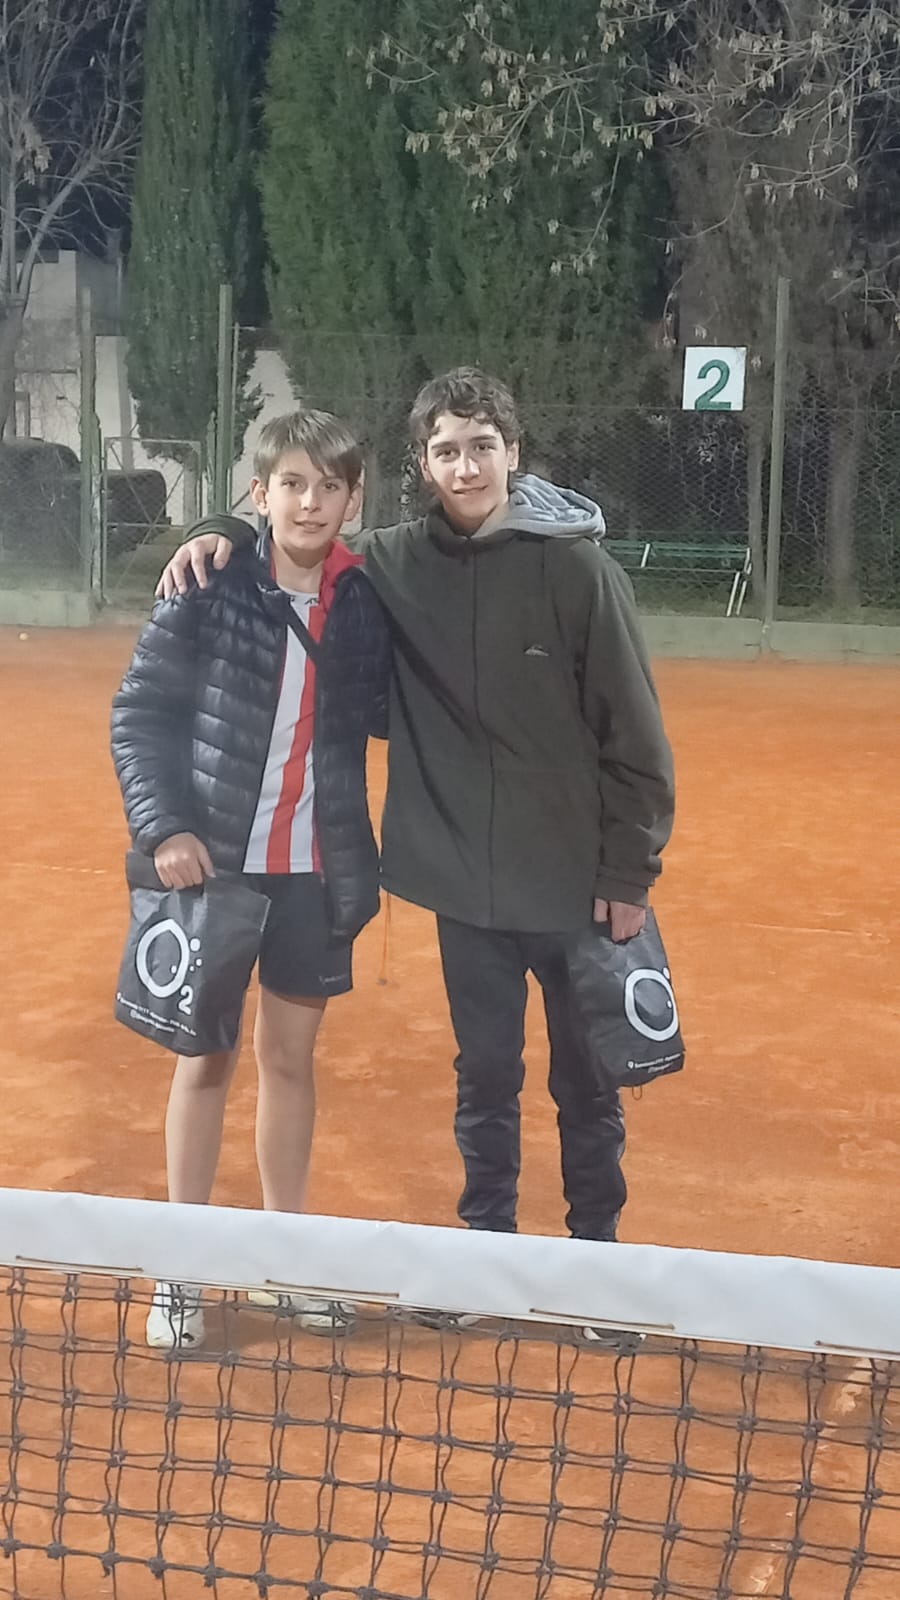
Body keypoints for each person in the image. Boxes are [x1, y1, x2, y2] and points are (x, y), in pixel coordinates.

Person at [158, 367, 675, 1260]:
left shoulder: (579, 571)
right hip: (464, 885)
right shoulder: (394, 561)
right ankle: (487, 1253)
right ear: (424, 466)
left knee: (588, 1086)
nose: (466, 468)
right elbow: (301, 524)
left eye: (483, 448)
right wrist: (221, 527)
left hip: (574, 883)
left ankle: (594, 1255)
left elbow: (636, 735)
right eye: (447, 451)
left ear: (513, 454)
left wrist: (628, 873)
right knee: (485, 1080)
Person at [112, 410, 391, 1350]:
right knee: (207, 1062)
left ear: (354, 498)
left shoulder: (364, 597)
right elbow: (140, 713)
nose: (311, 502)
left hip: (317, 870)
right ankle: (181, 1271)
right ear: (261, 493)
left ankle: (284, 1263)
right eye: (293, 484)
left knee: (289, 1063)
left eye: (330, 486)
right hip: (217, 869)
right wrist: (164, 828)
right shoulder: (208, 581)